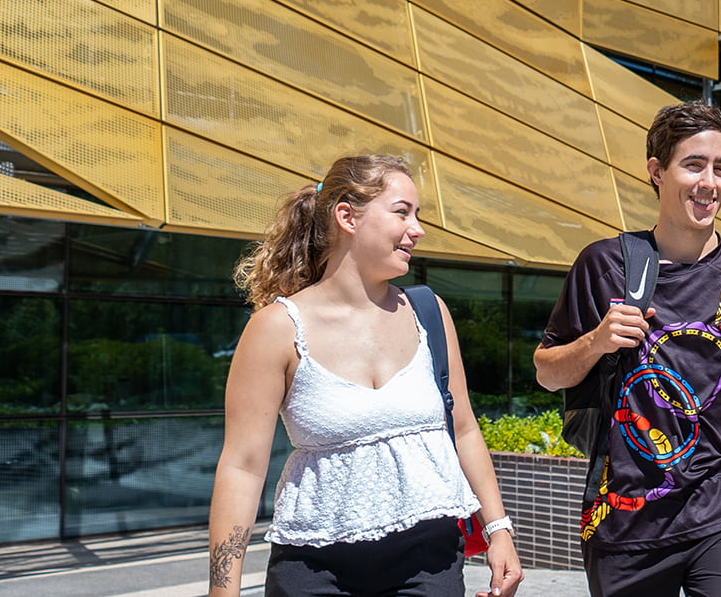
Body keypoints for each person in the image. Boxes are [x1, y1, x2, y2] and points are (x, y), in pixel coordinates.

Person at [205, 155, 523, 597]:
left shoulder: (428, 312)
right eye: (402, 211)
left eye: (418, 214)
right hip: (313, 567)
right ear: (347, 216)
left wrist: (499, 530)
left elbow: (465, 428)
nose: (418, 228)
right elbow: (242, 466)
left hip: (429, 560)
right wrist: (223, 590)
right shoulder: (276, 328)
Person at [534, 103, 721, 597]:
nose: (709, 182)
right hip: (624, 518)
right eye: (693, 165)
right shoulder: (605, 265)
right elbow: (547, 373)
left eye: (720, 169)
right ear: (657, 171)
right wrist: (597, 341)